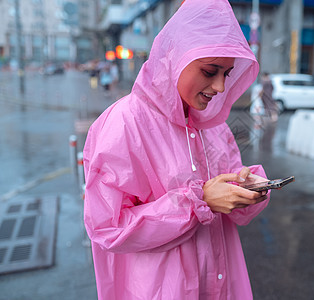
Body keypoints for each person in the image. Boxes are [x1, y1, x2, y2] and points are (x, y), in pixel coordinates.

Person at [83, 0, 270, 299]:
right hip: (161, 289)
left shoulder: (214, 127)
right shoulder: (124, 124)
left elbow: (233, 209)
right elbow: (108, 227)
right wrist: (198, 202)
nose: (220, 87)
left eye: (227, 73)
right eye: (210, 71)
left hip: (224, 284)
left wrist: (246, 190)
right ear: (175, 58)